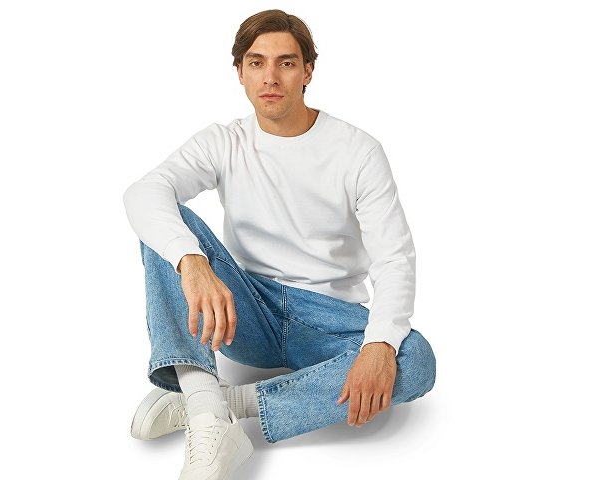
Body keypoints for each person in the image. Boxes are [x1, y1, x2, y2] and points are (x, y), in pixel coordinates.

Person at [123, 9, 436, 480]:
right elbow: (143, 193)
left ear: (307, 71)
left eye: (286, 63)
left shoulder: (358, 151)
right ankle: (208, 420)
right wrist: (193, 263)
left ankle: (213, 402)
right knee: (169, 224)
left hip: (329, 318)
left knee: (414, 359)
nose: (270, 77)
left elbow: (394, 258)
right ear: (240, 72)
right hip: (247, 310)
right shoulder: (224, 141)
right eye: (257, 63)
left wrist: (377, 347)